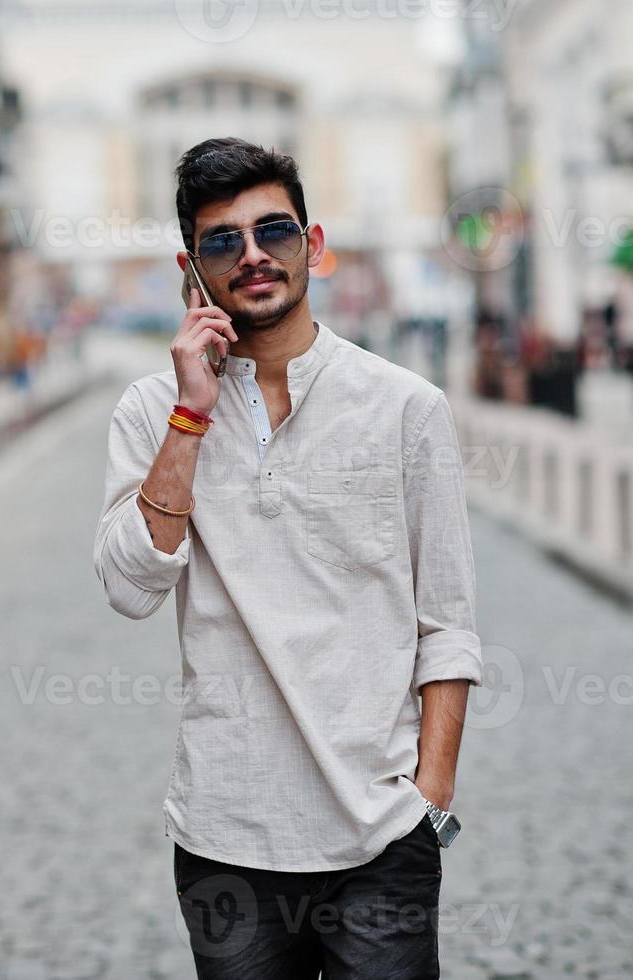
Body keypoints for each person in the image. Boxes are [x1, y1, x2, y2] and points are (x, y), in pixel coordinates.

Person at [93, 139, 482, 979]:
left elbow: (445, 621)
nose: (253, 255)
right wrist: (190, 418)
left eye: (272, 231)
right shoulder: (151, 411)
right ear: (189, 269)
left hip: (380, 835)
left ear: (311, 241)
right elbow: (129, 586)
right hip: (225, 835)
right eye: (222, 241)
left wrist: (430, 796)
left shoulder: (405, 409)